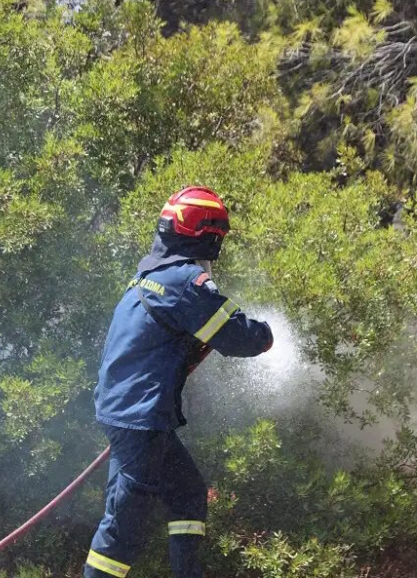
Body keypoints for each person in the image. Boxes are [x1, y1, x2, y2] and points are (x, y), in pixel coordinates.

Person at [83, 186, 274, 578]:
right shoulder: (185, 281)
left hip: (132, 413)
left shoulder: (151, 274)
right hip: (140, 420)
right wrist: (267, 335)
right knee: (121, 532)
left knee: (188, 495)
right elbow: (239, 337)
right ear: (206, 235)